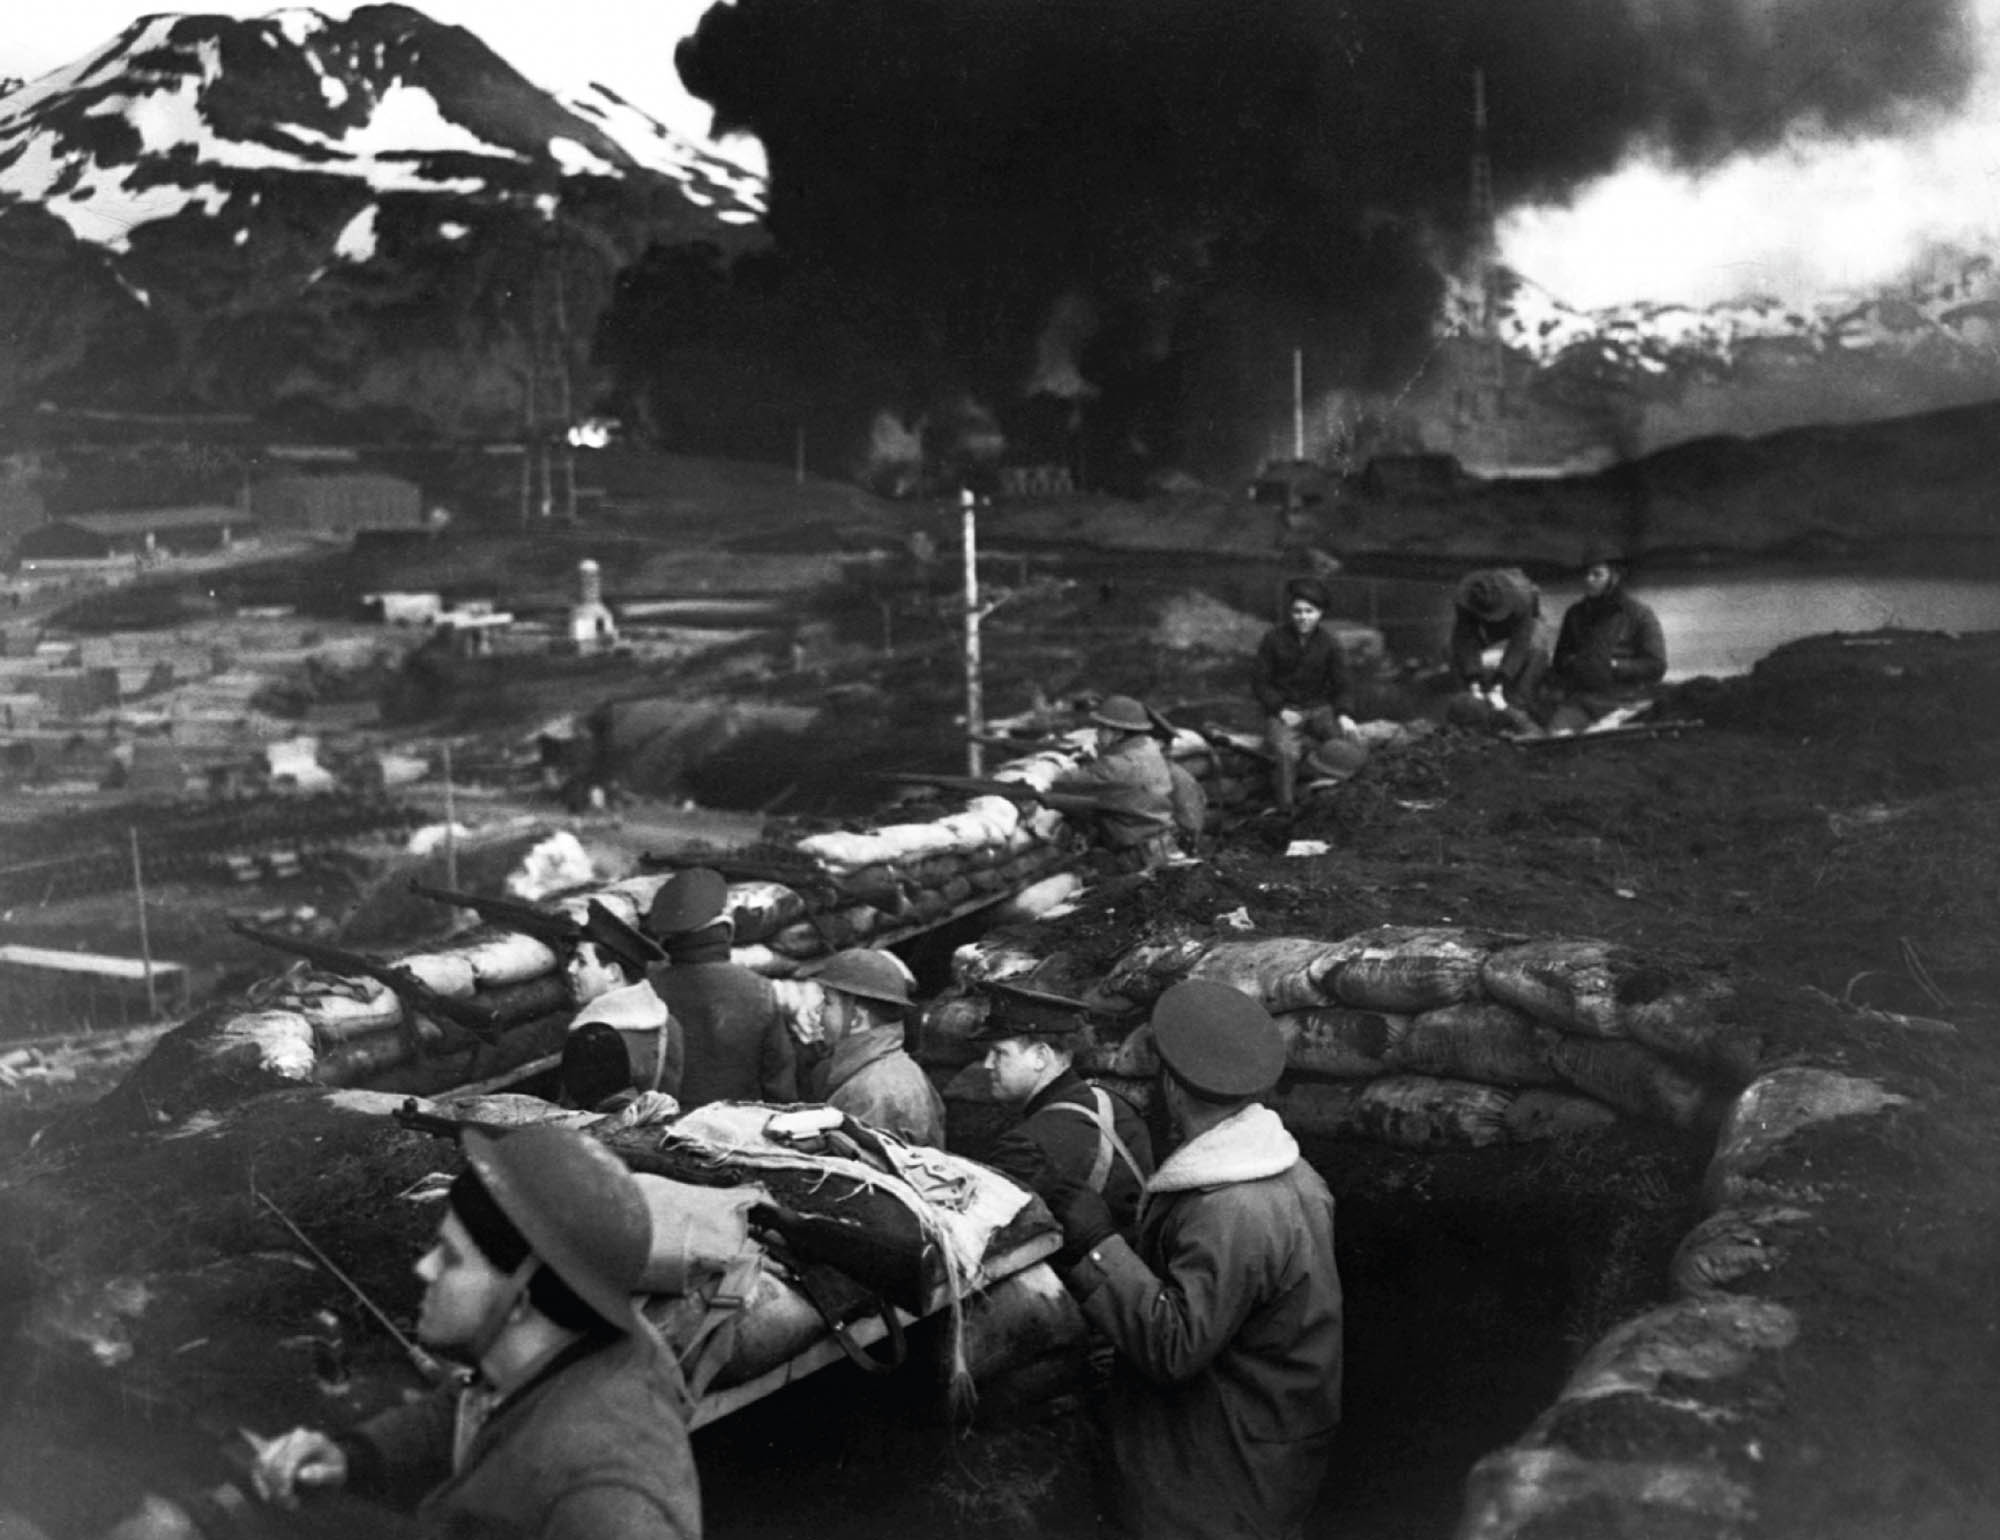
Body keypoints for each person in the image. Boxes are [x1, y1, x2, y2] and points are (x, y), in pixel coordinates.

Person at [249, 1124, 701, 1539]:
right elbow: (471, 1405)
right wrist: (354, 1457)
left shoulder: (607, 1501)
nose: (426, 1269)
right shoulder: (551, 1351)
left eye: (450, 1257)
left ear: (520, 1298)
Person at [1034, 980, 1341, 1540]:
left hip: (1217, 1474)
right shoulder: (1297, 1177)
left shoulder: (1231, 1208)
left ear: (1172, 1087)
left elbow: (1174, 1347)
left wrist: (1098, 1244)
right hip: (1268, 1442)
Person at [971, 980, 1154, 1238]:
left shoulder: (1024, 1147)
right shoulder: (1113, 1103)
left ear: (1041, 1057)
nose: (988, 1064)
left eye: (999, 1053)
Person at [644, 868, 798, 1109]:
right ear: (725, 927)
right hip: (735, 1127)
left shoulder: (647, 989)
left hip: (660, 1126)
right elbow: (779, 1087)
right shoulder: (759, 990)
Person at [804, 948, 946, 1146]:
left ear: (856, 1019)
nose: (818, 1010)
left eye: (827, 1002)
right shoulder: (878, 1071)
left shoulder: (873, 1094)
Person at [1250, 576, 1362, 814]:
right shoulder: (1273, 639)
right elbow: (1260, 683)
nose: (1303, 617)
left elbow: (1343, 684)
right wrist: (1280, 709)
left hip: (1319, 709)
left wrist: (1344, 713)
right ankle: (1286, 808)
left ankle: (1344, 802)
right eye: (1297, 611)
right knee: (1286, 752)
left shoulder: (1330, 643)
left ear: (1320, 613)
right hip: (1285, 710)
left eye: (1309, 611)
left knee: (1344, 745)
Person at [1040, 694, 1179, 872]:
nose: (1096, 733)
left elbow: (1064, 783)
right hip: (1161, 846)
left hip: (1137, 859)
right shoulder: (1148, 748)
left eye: (1101, 728)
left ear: (1118, 733)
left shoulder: (1117, 766)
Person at [1541, 544, 1668, 734]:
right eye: (1586, 574)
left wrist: (1614, 666)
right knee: (1555, 736)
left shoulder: (1640, 614)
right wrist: (1575, 663)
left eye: (1597, 574)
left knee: (1603, 735)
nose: (1588, 580)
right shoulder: (1575, 614)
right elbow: (1559, 662)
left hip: (1625, 702)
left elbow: (1656, 666)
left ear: (1615, 577)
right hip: (1581, 702)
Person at [557, 935, 680, 1113]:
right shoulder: (668, 1023)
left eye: (582, 962)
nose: (571, 968)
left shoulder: (593, 1040)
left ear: (613, 973)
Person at [1447, 565, 1549, 711]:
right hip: (1489, 629)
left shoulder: (1523, 597)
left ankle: (1520, 705)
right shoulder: (1467, 598)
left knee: (1537, 650)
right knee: (1452, 650)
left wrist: (1501, 682)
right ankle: (1467, 702)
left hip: (1526, 625)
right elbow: (1465, 638)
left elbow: (1519, 644)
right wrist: (1474, 679)